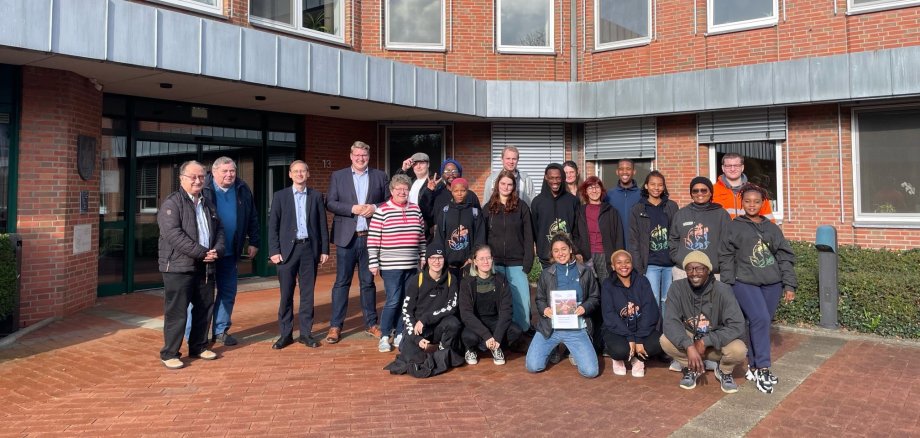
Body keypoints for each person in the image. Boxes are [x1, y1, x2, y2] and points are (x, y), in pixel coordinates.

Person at [719, 183, 797, 394]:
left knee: (759, 323)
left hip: (772, 283)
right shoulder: (734, 226)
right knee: (760, 319)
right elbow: (725, 255)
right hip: (744, 282)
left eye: (756, 201)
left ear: (763, 203)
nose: (751, 205)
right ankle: (763, 367)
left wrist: (789, 284)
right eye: (747, 201)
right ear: (741, 202)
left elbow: (784, 256)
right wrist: (727, 282)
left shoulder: (772, 228)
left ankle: (753, 366)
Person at [157, 160, 225, 369]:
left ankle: (198, 346)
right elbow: (174, 235)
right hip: (179, 267)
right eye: (193, 177)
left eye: (202, 177)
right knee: (177, 311)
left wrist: (217, 250)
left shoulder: (207, 202)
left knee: (204, 308)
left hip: (204, 266)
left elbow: (219, 229)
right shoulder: (172, 203)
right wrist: (202, 252)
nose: (198, 180)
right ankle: (170, 353)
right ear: (182, 179)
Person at [325, 141, 389, 344]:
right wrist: (351, 208)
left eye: (364, 156)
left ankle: (371, 324)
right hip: (347, 238)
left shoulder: (380, 176)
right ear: (351, 156)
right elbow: (330, 202)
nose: (361, 159)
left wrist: (374, 207)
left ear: (368, 157)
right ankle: (335, 326)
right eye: (357, 155)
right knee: (341, 283)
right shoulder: (338, 176)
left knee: (368, 283)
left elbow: (389, 201)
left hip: (370, 238)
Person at [660, 251, 747, 393]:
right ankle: (692, 367)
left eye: (699, 268)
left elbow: (737, 325)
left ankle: (724, 371)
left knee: (739, 350)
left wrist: (706, 341)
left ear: (708, 270)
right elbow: (670, 322)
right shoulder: (677, 288)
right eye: (690, 269)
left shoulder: (723, 290)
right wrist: (688, 345)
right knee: (665, 340)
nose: (694, 273)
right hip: (691, 340)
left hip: (715, 343)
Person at [267, 161, 330, 350]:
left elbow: (322, 225)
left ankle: (305, 334)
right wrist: (274, 251)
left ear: (308, 174)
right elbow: (273, 226)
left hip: (309, 250)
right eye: (296, 171)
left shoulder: (316, 196)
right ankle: (285, 334)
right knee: (286, 294)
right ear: (290, 174)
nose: (300, 174)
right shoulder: (280, 196)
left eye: (303, 170)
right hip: (286, 252)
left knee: (307, 295)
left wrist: (324, 249)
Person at [199, 156, 260, 346]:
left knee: (227, 291)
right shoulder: (204, 188)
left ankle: (220, 330)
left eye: (232, 171)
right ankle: (197, 333)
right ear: (214, 172)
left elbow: (252, 217)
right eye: (224, 171)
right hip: (207, 252)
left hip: (231, 251)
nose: (229, 175)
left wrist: (254, 241)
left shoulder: (242, 189)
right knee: (201, 294)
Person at [525, 234, 600, 378]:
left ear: (570, 249)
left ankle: (573, 350)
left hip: (576, 328)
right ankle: (551, 349)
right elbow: (540, 298)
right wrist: (545, 310)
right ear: (552, 254)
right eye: (556, 250)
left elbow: (595, 297)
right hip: (550, 328)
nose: (561, 253)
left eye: (564, 249)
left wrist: (585, 307)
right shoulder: (547, 274)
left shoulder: (585, 272)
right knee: (533, 366)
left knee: (591, 372)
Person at [368, 174, 427, 353]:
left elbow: (422, 237)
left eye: (405, 189)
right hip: (390, 265)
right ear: (392, 191)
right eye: (398, 189)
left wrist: (423, 256)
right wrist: (373, 262)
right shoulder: (382, 210)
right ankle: (385, 335)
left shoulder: (416, 209)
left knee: (407, 301)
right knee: (393, 300)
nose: (402, 192)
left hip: (411, 265)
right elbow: (373, 239)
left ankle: (401, 333)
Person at [484, 170, 535, 332]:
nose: (506, 187)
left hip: (517, 263)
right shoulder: (488, 208)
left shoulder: (522, 207)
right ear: (497, 185)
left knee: (522, 301)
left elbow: (529, 237)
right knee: (498, 301)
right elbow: (482, 236)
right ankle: (501, 331)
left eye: (510, 184)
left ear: (514, 187)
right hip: (495, 263)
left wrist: (528, 262)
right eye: (503, 183)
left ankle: (523, 330)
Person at [459, 244, 523, 366]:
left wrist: (497, 337)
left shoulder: (500, 280)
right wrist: (487, 335)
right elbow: (466, 314)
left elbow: (506, 310)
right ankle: (472, 349)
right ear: (475, 262)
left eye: (488, 258)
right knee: (468, 337)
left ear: (492, 259)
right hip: (477, 322)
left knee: (515, 331)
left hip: (495, 321)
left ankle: (495, 347)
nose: (485, 261)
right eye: (481, 258)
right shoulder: (467, 283)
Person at [601, 250, 661, 377]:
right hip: (618, 331)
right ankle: (618, 359)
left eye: (627, 262)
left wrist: (638, 339)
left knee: (660, 342)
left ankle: (638, 359)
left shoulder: (642, 281)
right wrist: (629, 337)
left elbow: (650, 310)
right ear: (613, 266)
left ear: (632, 264)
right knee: (620, 350)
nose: (624, 265)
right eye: (619, 263)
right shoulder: (607, 284)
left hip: (641, 330)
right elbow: (609, 315)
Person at [629, 170, 678, 314]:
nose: (656, 188)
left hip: (670, 263)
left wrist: (677, 258)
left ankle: (667, 332)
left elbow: (677, 235)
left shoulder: (672, 206)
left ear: (664, 187)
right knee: (653, 298)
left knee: (668, 300)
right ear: (646, 186)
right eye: (652, 184)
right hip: (650, 264)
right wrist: (639, 267)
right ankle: (653, 333)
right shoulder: (637, 209)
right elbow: (634, 240)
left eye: (660, 185)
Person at [669, 176, 730, 281]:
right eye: (695, 191)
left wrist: (720, 265)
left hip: (714, 273)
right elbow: (673, 239)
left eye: (704, 190)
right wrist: (678, 258)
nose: (699, 193)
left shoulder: (721, 214)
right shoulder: (681, 214)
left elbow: (728, 243)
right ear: (691, 194)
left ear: (710, 192)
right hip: (684, 272)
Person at [573, 176, 624, 284]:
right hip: (586, 255)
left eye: (597, 187)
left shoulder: (611, 211)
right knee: (588, 288)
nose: (594, 190)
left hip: (605, 255)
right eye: (590, 188)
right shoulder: (580, 211)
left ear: (601, 190)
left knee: (606, 286)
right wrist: (577, 251)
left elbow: (619, 236)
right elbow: (575, 234)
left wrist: (617, 258)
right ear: (586, 191)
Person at [434, 177, 485, 280]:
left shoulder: (474, 213)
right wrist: (442, 258)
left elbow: (480, 238)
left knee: (467, 294)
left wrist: (472, 257)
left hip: (469, 263)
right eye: (456, 191)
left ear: (467, 191)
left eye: (463, 190)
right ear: (452, 192)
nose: (459, 194)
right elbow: (439, 238)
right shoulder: (445, 212)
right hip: (448, 264)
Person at [531, 163, 580, 268]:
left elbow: (577, 229)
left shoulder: (573, 201)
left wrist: (577, 251)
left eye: (558, 178)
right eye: (551, 178)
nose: (555, 181)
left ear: (563, 178)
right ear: (546, 178)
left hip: (568, 255)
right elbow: (535, 230)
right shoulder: (537, 202)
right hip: (546, 257)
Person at [420, 159, 481, 240]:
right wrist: (429, 191)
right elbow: (424, 212)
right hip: (441, 239)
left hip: (465, 239)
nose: (451, 174)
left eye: (454, 171)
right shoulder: (437, 194)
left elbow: (479, 219)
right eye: (447, 171)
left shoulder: (470, 195)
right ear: (442, 174)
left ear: (460, 173)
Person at [713, 153, 775, 220]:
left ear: (742, 168)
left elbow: (769, 221)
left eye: (736, 165)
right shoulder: (711, 191)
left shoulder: (757, 192)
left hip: (751, 230)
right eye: (728, 166)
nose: (732, 169)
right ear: (723, 168)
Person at [605, 159, 642, 250]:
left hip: (637, 246)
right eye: (621, 169)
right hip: (616, 246)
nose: (624, 172)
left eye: (628, 168)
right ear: (617, 172)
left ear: (634, 171)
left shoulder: (642, 195)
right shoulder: (609, 195)